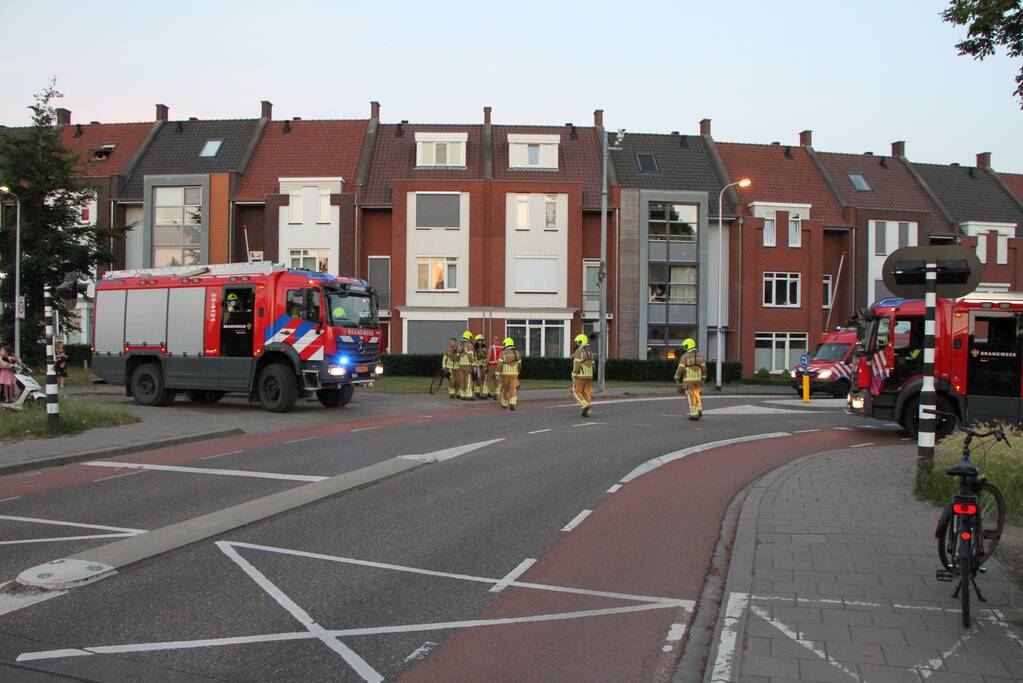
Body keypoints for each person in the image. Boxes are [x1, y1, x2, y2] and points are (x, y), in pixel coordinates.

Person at [674, 338, 707, 420]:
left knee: (691, 396)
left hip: (688, 381)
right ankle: (699, 410)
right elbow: (704, 368)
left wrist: (676, 377)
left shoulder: (685, 357)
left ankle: (694, 414)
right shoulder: (700, 356)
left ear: (687, 346)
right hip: (698, 380)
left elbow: (680, 368)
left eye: (684, 346)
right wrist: (703, 378)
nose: (683, 348)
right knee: (697, 395)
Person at [571, 333, 595, 417]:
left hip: (580, 375)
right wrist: (591, 375)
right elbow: (593, 365)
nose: (576, 344)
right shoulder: (590, 352)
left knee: (575, 391)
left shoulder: (578, 351)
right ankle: (588, 411)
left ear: (581, 342)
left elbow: (577, 364)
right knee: (586, 392)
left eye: (577, 342)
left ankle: (584, 405)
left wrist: (574, 374)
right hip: (589, 376)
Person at [498, 337, 521, 410]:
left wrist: (499, 373)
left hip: (505, 374)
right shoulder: (517, 353)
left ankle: (504, 403)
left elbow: (499, 365)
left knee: (506, 389)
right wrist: (518, 372)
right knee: (513, 388)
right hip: (514, 374)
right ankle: (512, 402)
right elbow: (520, 364)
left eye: (504, 344)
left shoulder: (503, 353)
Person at [458, 331, 476, 400]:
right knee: (468, 379)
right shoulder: (469, 345)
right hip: (468, 364)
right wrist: (473, 364)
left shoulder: (461, 344)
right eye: (471, 337)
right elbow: (470, 355)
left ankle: (463, 394)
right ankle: (468, 395)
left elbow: (458, 353)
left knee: (462, 379)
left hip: (461, 364)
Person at [486, 335, 503, 401]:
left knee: (489, 379)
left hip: (491, 365)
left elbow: (488, 356)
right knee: (497, 379)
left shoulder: (492, 347)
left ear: (493, 340)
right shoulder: (501, 347)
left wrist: (486, 364)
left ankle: (487, 392)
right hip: (498, 366)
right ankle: (496, 393)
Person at [473, 334, 486, 399]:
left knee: (483, 378)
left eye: (482, 340)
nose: (481, 342)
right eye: (480, 340)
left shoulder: (484, 348)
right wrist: (481, 354)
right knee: (478, 378)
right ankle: (477, 393)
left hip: (482, 365)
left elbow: (485, 356)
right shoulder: (474, 348)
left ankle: (482, 393)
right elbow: (477, 357)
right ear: (477, 341)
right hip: (477, 365)